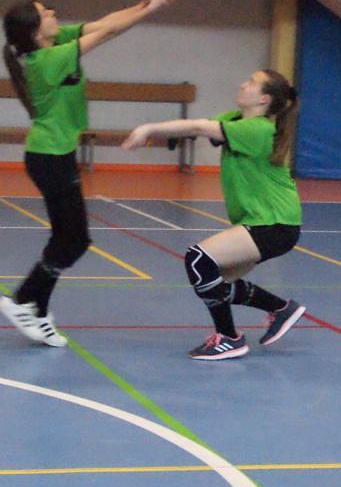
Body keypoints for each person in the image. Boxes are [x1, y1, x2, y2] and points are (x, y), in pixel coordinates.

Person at [0, 0, 180, 345]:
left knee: (64, 237)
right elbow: (108, 32)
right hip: (49, 158)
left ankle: (39, 309)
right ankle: (20, 300)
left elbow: (106, 22)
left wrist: (148, 3)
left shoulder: (54, 42)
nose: (52, 13)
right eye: (44, 13)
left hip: (56, 154)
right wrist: (150, 9)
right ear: (35, 31)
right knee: (76, 240)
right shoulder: (48, 59)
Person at [121, 69, 305, 360]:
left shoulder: (258, 129)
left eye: (252, 83)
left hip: (274, 222)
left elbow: (200, 126)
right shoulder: (235, 118)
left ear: (263, 99)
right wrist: (168, 134)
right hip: (265, 221)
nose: (243, 84)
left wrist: (150, 128)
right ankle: (282, 309)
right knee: (219, 281)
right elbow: (198, 127)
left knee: (199, 260)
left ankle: (229, 338)